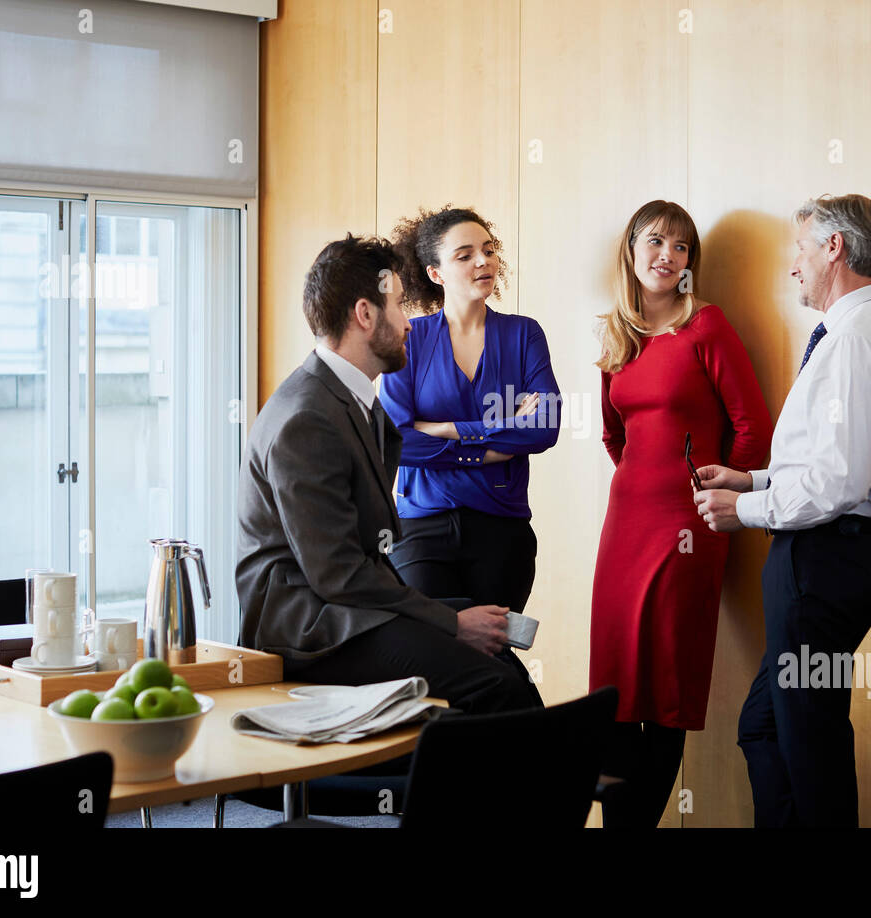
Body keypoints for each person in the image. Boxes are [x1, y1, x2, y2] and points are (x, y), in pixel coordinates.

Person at [236, 233, 538, 716]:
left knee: (497, 646)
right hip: (313, 630)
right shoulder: (307, 418)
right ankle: (540, 781)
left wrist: (451, 618)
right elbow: (338, 575)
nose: (409, 325)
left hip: (346, 609)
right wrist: (451, 623)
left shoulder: (353, 401)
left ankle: (544, 775)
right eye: (399, 306)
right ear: (364, 314)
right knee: (489, 682)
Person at [693, 193, 871, 827]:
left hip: (822, 558)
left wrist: (747, 508)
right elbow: (840, 460)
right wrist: (755, 476)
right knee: (769, 726)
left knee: (806, 742)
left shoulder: (853, 341)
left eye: (801, 248)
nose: (794, 265)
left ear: (834, 249)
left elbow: (839, 482)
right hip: (844, 556)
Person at [591, 200, 773, 828]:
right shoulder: (617, 338)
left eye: (681, 246)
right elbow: (615, 438)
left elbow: (752, 427)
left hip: (690, 529)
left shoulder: (707, 327)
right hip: (624, 527)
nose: (667, 255)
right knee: (612, 688)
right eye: (655, 241)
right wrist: (641, 485)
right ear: (631, 249)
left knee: (667, 688)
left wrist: (722, 505)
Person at [378, 207, 558, 707]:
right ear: (435, 273)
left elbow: (545, 428)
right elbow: (396, 441)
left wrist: (449, 430)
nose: (484, 261)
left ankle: (493, 777)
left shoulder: (524, 335)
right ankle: (532, 746)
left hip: (502, 530)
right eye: (465, 255)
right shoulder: (408, 339)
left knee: (491, 651)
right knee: (433, 652)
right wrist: (493, 444)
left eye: (488, 249)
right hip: (421, 530)